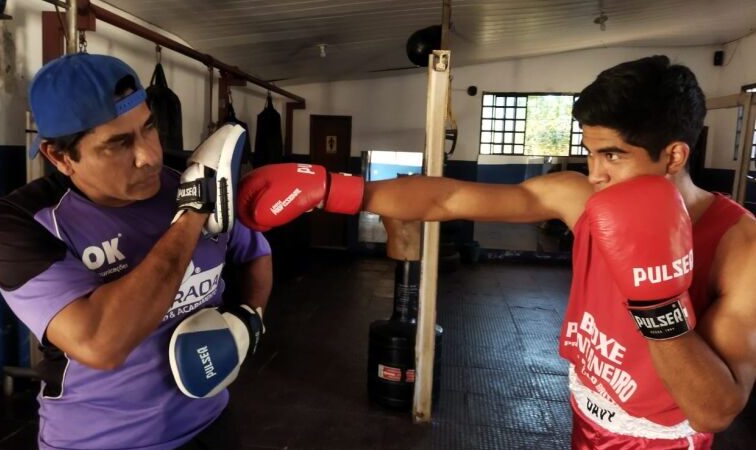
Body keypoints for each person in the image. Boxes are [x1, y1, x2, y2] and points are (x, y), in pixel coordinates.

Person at [236, 55, 756, 449]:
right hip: (583, 414)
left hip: (662, 440)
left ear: (674, 155)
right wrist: (335, 189)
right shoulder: (582, 198)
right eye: (591, 151)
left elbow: (716, 410)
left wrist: (656, 303)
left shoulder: (740, 247)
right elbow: (450, 196)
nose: (594, 172)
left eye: (613, 155)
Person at [0, 53, 272, 450]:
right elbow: (102, 343)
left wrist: (251, 319)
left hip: (210, 423)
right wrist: (191, 214)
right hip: (98, 441)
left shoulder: (185, 181)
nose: (149, 156)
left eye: (149, 127)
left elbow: (256, 252)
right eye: (118, 143)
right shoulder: (23, 222)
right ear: (59, 156)